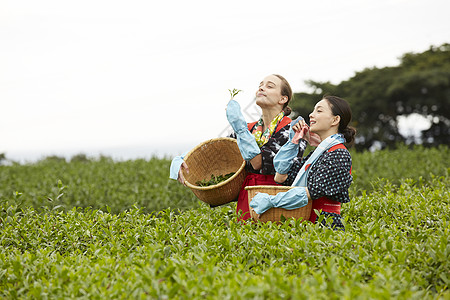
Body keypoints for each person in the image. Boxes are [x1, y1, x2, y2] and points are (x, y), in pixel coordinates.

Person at [170, 74, 296, 220]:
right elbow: (218, 151)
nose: (261, 88)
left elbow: (258, 163)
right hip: (247, 195)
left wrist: (240, 129)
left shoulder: (293, 129)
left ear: (283, 99)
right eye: (260, 85)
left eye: (270, 86)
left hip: (275, 197)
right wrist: (183, 159)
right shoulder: (250, 128)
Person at [249, 95, 356, 230]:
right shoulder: (317, 154)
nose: (311, 115)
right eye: (313, 110)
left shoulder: (338, 153)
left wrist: (272, 201)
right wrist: (293, 141)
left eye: (319, 111)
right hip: (306, 222)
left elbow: (312, 191)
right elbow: (281, 177)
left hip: (324, 225)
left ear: (335, 120)